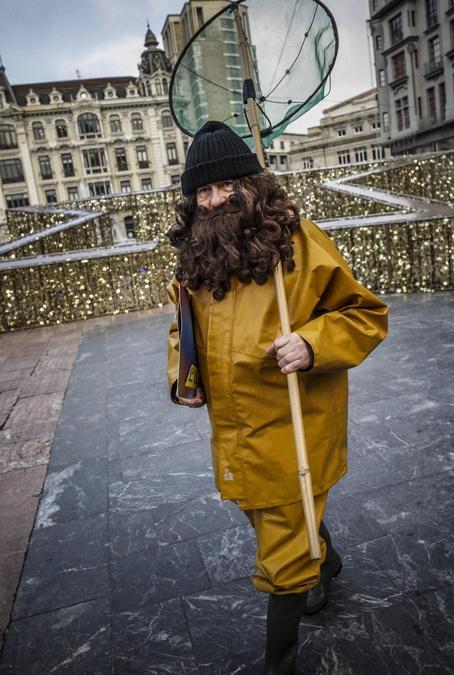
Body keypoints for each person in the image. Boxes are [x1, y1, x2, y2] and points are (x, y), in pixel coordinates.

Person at [165, 121, 388, 673]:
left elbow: (365, 315)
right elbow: (181, 332)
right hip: (236, 432)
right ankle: (326, 559)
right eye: (201, 191)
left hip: (295, 425)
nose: (212, 201)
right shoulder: (197, 258)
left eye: (223, 187)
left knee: (284, 551)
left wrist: (312, 343)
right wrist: (183, 377)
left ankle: (279, 662)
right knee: (268, 515)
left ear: (251, 186)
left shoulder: (297, 244)